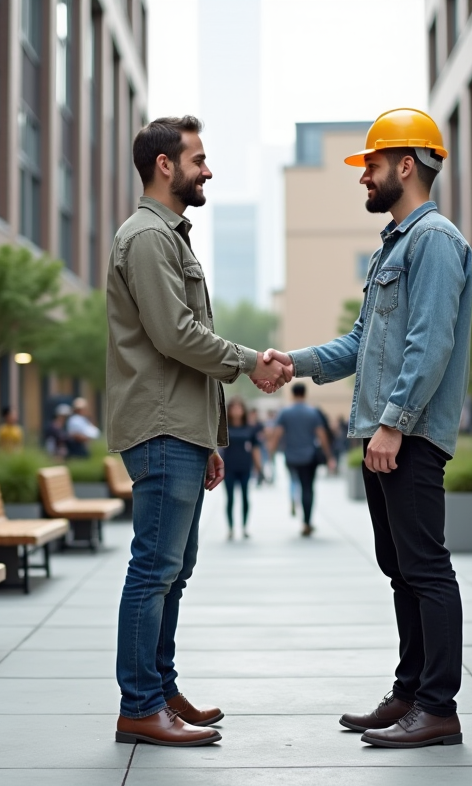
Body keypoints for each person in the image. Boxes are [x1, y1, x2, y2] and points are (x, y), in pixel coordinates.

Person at [262, 108, 472, 748]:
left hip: (405, 437)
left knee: (426, 568)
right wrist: (291, 361)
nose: (364, 178)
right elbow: (362, 344)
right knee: (401, 566)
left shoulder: (434, 241)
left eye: (372, 166)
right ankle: (410, 692)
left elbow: (429, 344)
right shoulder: (396, 245)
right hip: (384, 435)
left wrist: (393, 425)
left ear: (406, 165)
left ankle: (438, 708)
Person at [105, 115, 291, 747]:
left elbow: (180, 347)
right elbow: (175, 337)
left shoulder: (170, 237)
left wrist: (212, 437)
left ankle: (160, 687)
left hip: (179, 431)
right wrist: (249, 362)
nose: (207, 170)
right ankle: (139, 705)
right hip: (159, 430)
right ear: (166, 165)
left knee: (173, 570)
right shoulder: (149, 238)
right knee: (154, 570)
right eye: (199, 159)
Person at [267, 383, 336, 537]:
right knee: (308, 488)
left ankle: (294, 500)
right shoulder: (312, 412)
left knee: (294, 481)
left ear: (292, 394)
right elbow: (322, 435)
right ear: (305, 394)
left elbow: (276, 434)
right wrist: (329, 456)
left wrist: (270, 455)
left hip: (291, 456)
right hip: (309, 456)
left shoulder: (285, 413)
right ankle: (306, 522)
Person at [220, 397, 262, 540]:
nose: (236, 410)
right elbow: (218, 448)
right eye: (233, 408)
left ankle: (244, 527)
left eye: (239, 407)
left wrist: (259, 467)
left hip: (245, 466)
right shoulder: (224, 428)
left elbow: (255, 448)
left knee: (245, 497)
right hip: (229, 467)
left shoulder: (249, 428)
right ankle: (230, 528)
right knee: (230, 499)